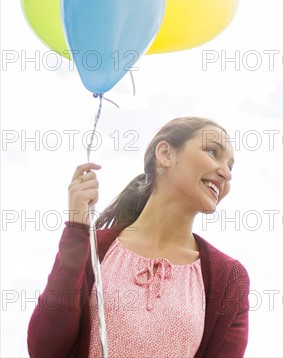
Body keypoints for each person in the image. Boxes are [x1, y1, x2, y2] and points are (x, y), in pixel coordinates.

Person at [27, 117, 250, 357]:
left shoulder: (228, 277)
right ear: (165, 154)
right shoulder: (94, 248)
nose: (226, 173)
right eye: (212, 152)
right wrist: (77, 230)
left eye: (230, 166)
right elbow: (44, 349)